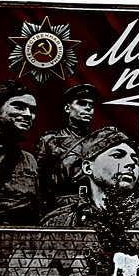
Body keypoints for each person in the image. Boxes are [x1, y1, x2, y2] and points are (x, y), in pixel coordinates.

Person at [40, 127, 139, 229]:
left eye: (135, 159)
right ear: (87, 167)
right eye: (117, 155)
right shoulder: (60, 222)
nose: (131, 163)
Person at [0, 80, 41, 225]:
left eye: (32, 110)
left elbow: (37, 210)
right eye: (19, 106)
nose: (28, 114)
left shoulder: (29, 159)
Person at [35, 83, 98, 211]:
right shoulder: (50, 141)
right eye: (82, 103)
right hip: (60, 206)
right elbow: (37, 181)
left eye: (91, 105)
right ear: (68, 108)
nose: (88, 108)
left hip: (94, 205)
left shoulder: (101, 141)